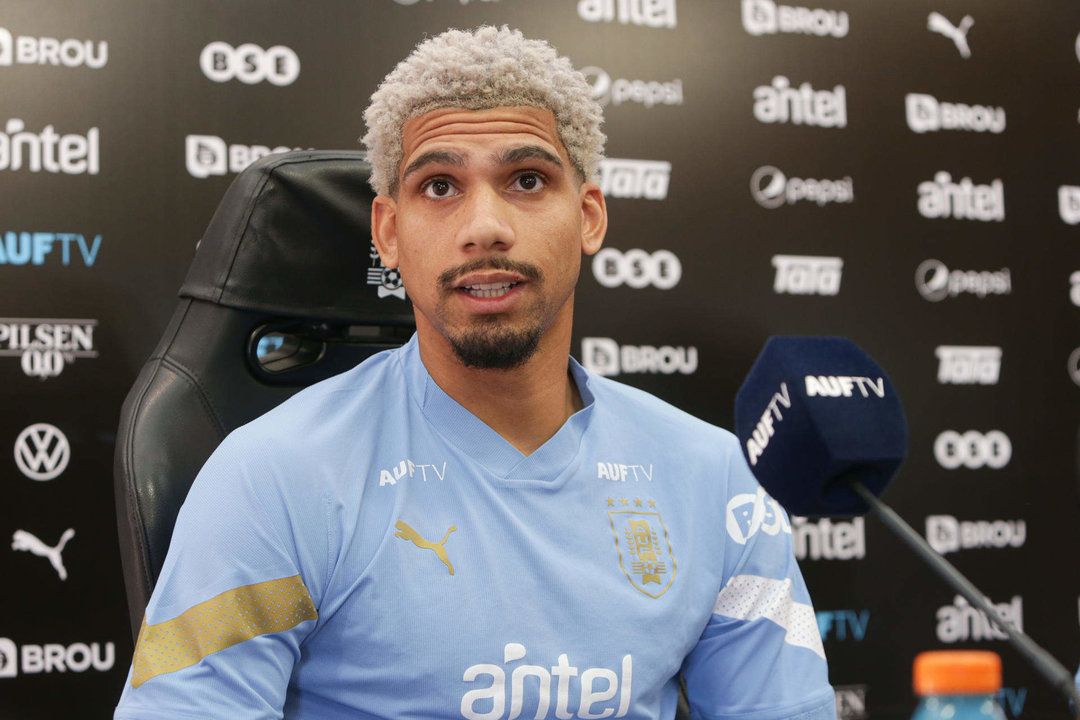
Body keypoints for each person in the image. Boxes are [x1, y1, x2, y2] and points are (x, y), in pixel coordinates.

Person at [114, 26, 836, 720]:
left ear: (588, 218)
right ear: (389, 233)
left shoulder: (709, 478)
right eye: (438, 186)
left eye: (526, 179)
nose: (484, 225)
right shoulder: (274, 476)